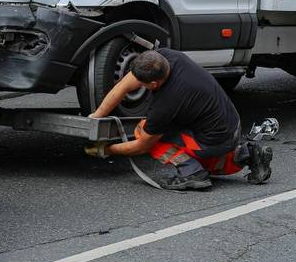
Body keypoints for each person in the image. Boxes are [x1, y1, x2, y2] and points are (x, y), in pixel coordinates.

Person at [86, 49, 273, 191]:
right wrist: (97, 115)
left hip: (213, 140)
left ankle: (192, 173)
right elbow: (123, 86)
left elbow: (141, 146)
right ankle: (248, 153)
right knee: (216, 160)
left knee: (144, 132)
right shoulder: (165, 57)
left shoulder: (165, 104)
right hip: (230, 126)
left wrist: (105, 150)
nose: (138, 85)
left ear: (153, 84)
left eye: (142, 84)